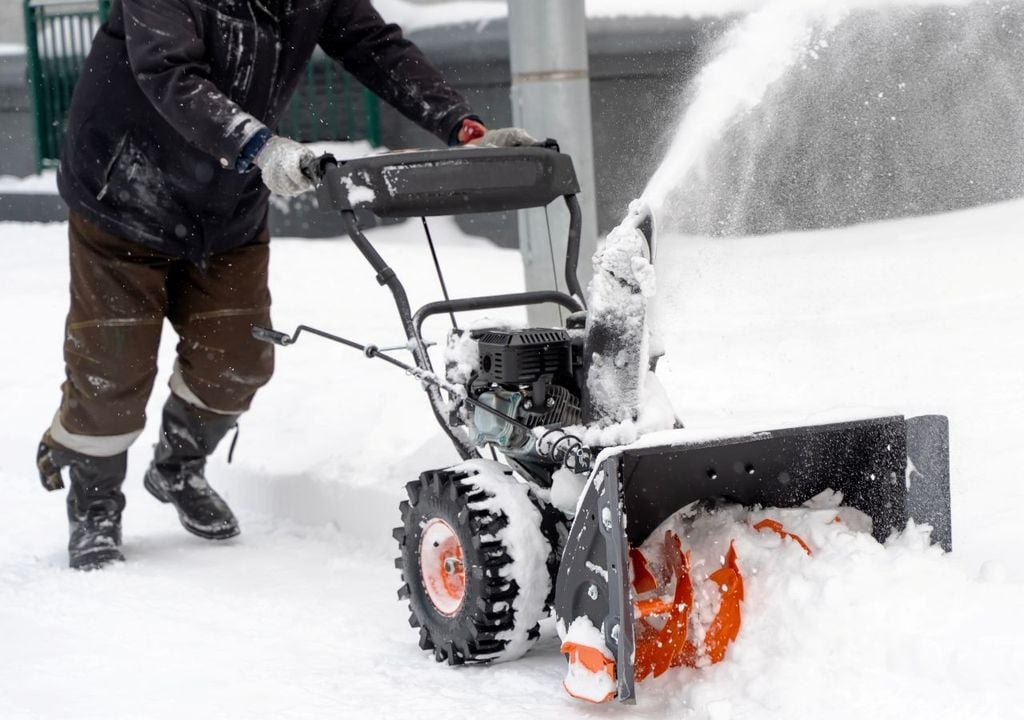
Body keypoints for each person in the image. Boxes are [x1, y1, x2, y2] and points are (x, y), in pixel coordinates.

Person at [35, 0, 529, 570]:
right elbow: (167, 72)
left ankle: (178, 466)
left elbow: (376, 46)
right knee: (111, 368)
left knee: (238, 360)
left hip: (227, 204)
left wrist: (459, 126)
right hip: (123, 191)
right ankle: (94, 499)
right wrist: (260, 146)